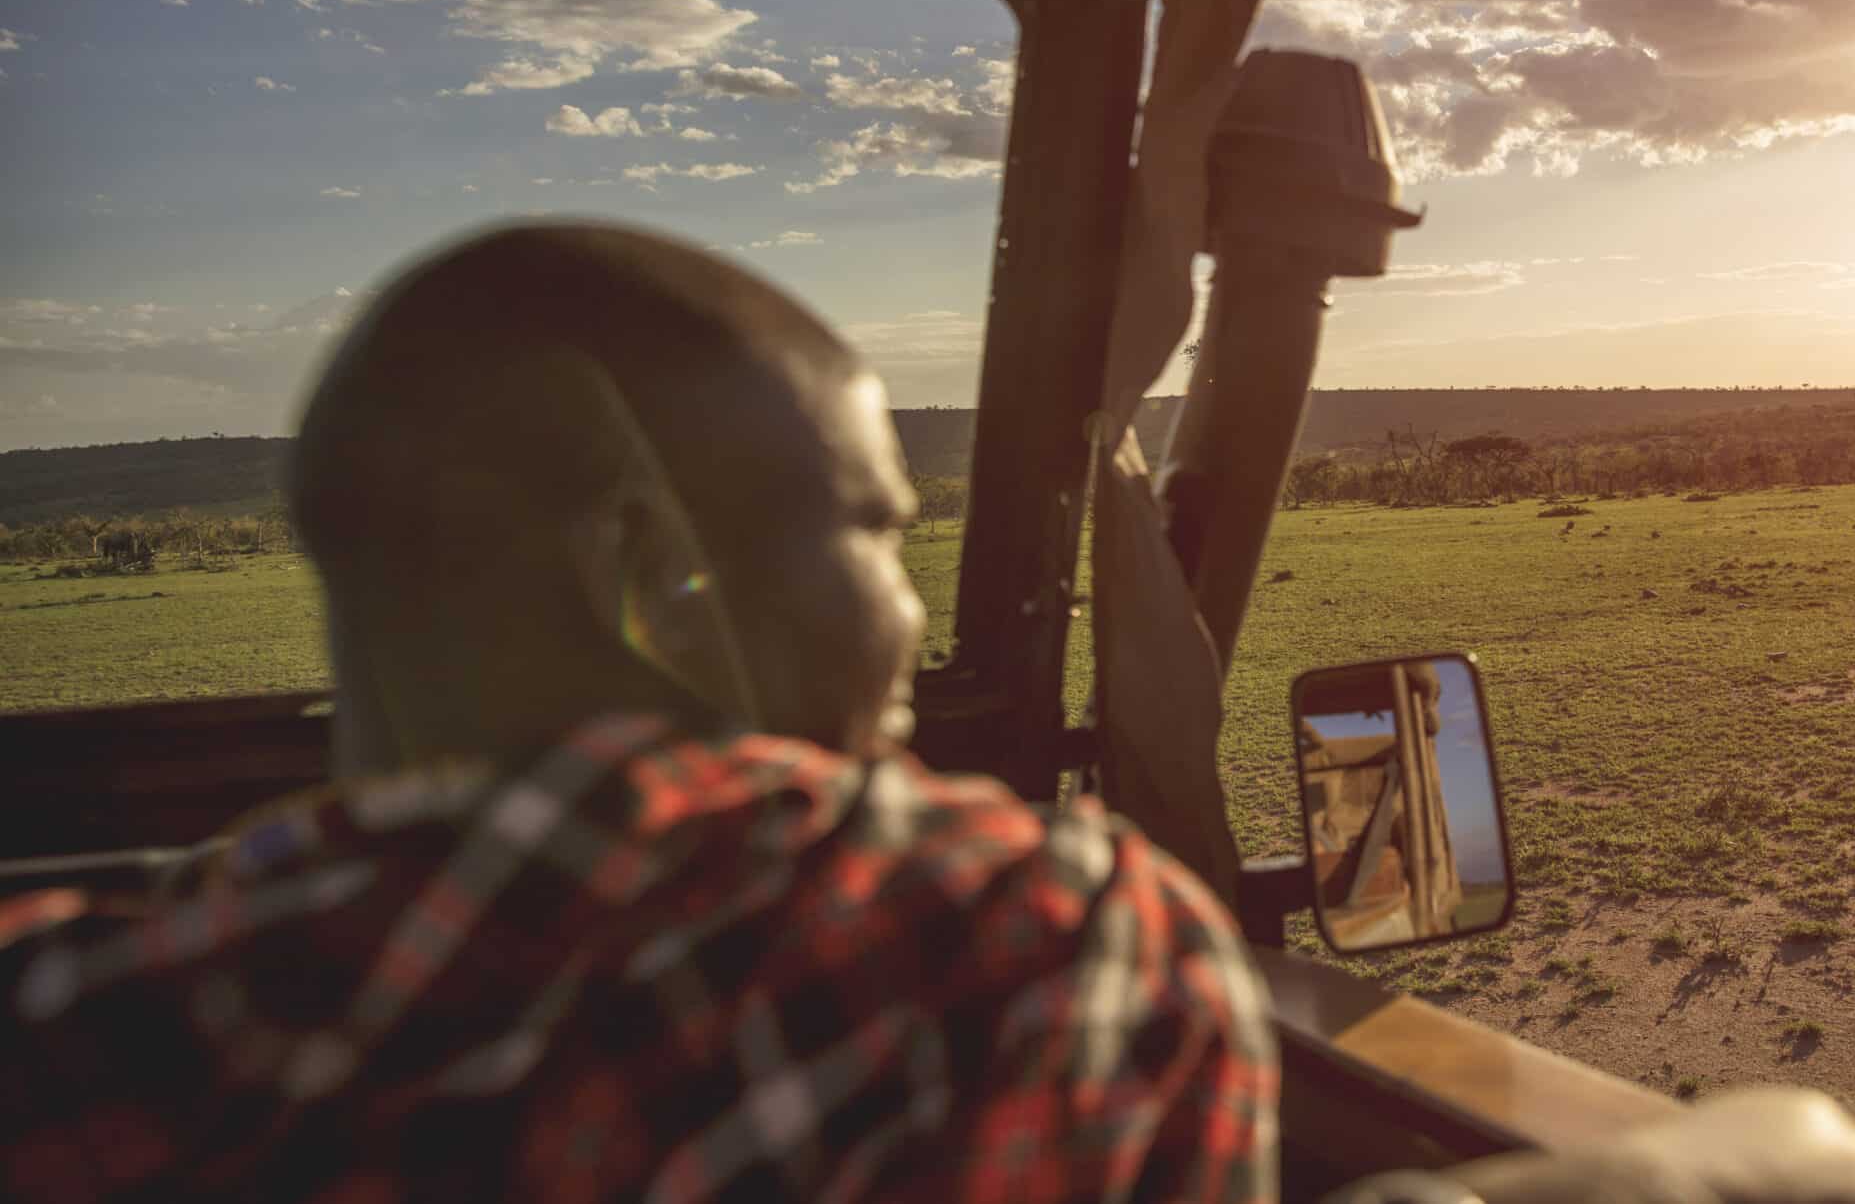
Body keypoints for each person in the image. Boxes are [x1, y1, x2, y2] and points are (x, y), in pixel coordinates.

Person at [0, 223, 1279, 1202]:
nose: (906, 607)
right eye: (878, 532)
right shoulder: (1033, 942)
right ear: (639, 564)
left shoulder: (69, 1017)